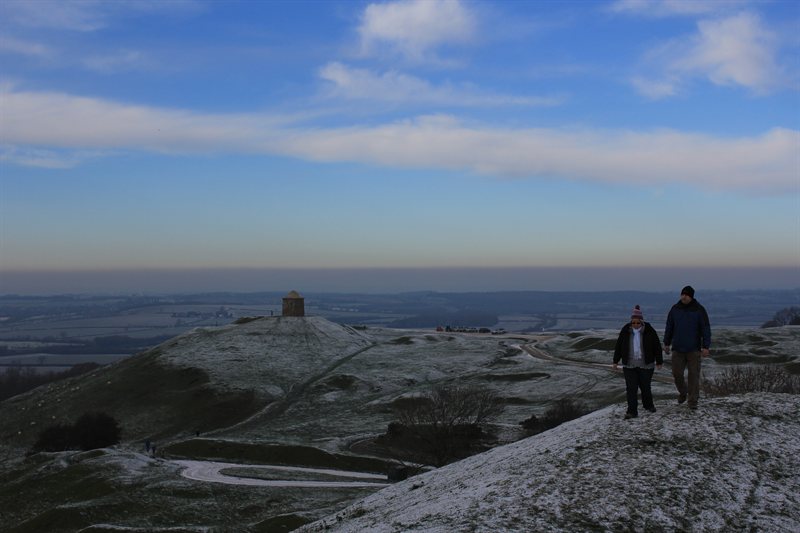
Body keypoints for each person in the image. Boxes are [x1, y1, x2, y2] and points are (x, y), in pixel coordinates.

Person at [663, 285, 711, 410]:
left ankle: (692, 401)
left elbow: (705, 328)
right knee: (676, 374)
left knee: (693, 376)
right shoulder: (675, 309)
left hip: (694, 349)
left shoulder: (699, 310)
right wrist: (666, 343)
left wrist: (706, 346)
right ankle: (683, 392)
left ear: (691, 297)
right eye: (682, 294)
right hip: (677, 348)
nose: (684, 297)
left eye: (686, 295)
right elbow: (669, 326)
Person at [613, 305, 663, 419]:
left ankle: (648, 405)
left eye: (637, 323)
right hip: (629, 365)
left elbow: (656, 346)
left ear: (642, 322)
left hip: (646, 364)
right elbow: (619, 346)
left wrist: (659, 361)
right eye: (633, 323)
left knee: (645, 386)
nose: (635, 325)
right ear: (631, 322)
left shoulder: (649, 331)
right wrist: (615, 361)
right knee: (631, 388)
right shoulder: (625, 331)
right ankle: (632, 411)